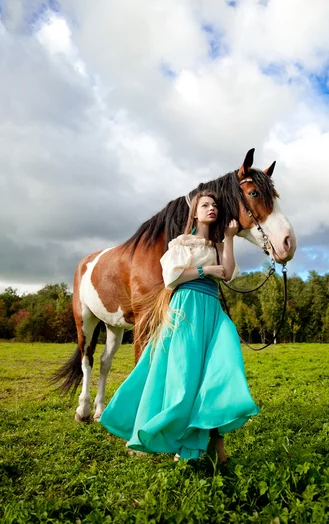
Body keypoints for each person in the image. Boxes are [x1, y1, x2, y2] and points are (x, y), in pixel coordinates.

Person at [99, 190, 259, 463]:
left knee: (222, 369)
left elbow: (229, 273)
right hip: (185, 308)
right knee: (184, 379)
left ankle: (216, 443)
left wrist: (230, 239)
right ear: (194, 213)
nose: (211, 208)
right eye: (205, 205)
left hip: (211, 309)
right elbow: (171, 278)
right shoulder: (181, 244)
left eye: (214, 205)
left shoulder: (218, 245)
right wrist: (204, 271)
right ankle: (177, 439)